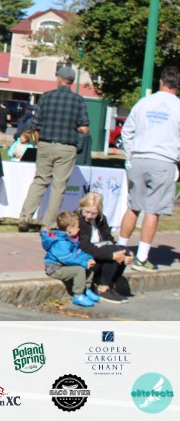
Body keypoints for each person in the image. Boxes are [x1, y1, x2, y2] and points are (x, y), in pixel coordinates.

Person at [117, 65, 180, 271]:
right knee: (153, 210)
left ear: (161, 82)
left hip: (139, 157)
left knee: (133, 206)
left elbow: (127, 131)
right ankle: (142, 258)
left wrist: (131, 153)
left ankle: (119, 249)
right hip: (164, 160)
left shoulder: (144, 103)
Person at [18, 66, 89, 232]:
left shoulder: (46, 97)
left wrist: (38, 142)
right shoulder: (78, 100)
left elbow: (35, 124)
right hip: (67, 147)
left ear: (59, 79)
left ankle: (25, 218)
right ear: (72, 81)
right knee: (59, 186)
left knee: (40, 181)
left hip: (45, 144)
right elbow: (84, 128)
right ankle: (48, 224)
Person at [76, 191, 132, 303]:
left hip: (100, 251)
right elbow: (85, 247)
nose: (89, 216)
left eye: (93, 213)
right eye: (87, 212)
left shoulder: (101, 219)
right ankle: (103, 288)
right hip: (86, 256)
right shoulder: (77, 219)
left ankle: (111, 284)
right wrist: (112, 255)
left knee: (124, 251)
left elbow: (109, 239)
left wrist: (126, 254)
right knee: (113, 253)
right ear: (81, 207)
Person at [41, 210, 100, 308]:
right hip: (55, 269)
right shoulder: (61, 242)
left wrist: (88, 258)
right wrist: (84, 263)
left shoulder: (70, 239)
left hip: (64, 266)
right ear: (69, 229)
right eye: (77, 227)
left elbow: (78, 253)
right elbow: (67, 259)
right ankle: (78, 295)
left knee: (89, 265)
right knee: (79, 270)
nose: (79, 229)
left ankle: (87, 289)